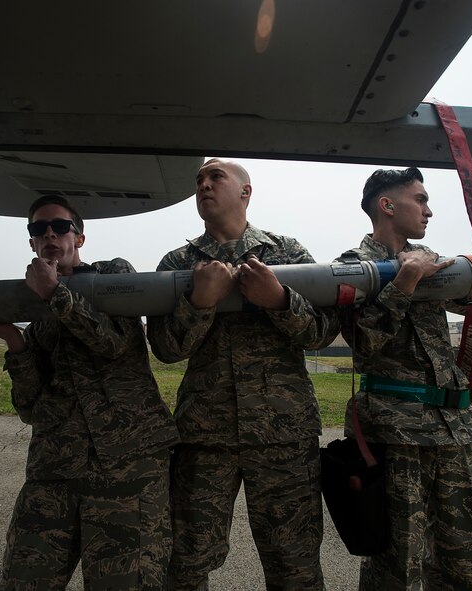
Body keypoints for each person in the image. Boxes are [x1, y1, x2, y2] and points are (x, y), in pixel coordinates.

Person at [0, 194, 179, 590]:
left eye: (60, 227)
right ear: (31, 243)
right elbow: (30, 407)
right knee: (25, 580)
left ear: (80, 237)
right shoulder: (34, 307)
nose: (50, 235)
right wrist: (13, 338)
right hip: (54, 470)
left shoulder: (114, 276)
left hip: (128, 470)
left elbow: (116, 345)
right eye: (38, 229)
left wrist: (56, 295)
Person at [146, 158, 339, 591]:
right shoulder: (179, 262)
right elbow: (166, 348)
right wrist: (199, 303)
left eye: (216, 177)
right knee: (187, 559)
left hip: (283, 436)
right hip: (205, 438)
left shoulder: (286, 253)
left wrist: (280, 301)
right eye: (198, 179)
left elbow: (324, 333)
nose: (204, 185)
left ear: (245, 192)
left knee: (296, 564)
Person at [338, 167, 472, 590]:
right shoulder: (351, 266)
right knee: (397, 562)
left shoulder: (430, 256)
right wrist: (406, 280)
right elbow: (363, 343)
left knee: (462, 556)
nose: (429, 210)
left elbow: (468, 295)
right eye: (421, 199)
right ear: (387, 205)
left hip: (451, 431)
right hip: (396, 436)